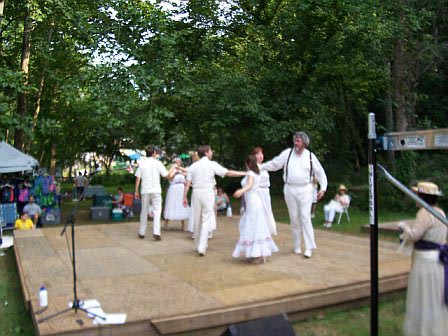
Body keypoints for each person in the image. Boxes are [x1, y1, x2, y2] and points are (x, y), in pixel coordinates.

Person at [262, 131, 327, 258]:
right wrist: (260, 167)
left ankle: (309, 248)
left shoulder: (310, 156)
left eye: (298, 141)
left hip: (306, 189)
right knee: (294, 218)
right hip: (290, 189)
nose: (295, 143)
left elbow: (320, 172)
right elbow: (275, 164)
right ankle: (296, 245)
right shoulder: (288, 153)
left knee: (305, 217)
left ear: (304, 143)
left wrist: (323, 188)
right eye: (295, 141)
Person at [398, 182, 447, 336]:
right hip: (437, 261)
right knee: (434, 296)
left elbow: (414, 235)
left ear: (420, 196)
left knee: (424, 295)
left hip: (425, 262)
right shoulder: (441, 212)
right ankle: (436, 329)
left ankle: (424, 331)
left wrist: (404, 228)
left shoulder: (425, 213)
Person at [183, 145, 246, 256]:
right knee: (206, 218)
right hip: (207, 192)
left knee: (197, 219)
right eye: (211, 151)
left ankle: (198, 245)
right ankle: (202, 247)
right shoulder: (212, 164)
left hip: (196, 192)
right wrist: (245, 173)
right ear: (207, 152)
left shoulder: (193, 166)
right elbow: (228, 173)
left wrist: (184, 197)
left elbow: (187, 184)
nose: (212, 153)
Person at [232, 154, 279, 264]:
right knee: (254, 226)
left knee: (253, 227)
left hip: (253, 203)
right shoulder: (255, 173)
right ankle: (256, 252)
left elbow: (249, 185)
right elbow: (245, 179)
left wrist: (241, 191)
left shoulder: (252, 174)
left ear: (247, 163)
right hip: (253, 202)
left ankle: (259, 254)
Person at [135, 145, 176, 241]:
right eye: (156, 152)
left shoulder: (142, 163)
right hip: (156, 190)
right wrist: (173, 168)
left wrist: (136, 191)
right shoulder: (158, 163)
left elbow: (138, 178)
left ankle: (142, 232)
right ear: (153, 153)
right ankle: (156, 232)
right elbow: (166, 175)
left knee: (144, 211)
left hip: (145, 190)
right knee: (157, 211)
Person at [251, 147, 277, 235]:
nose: (261, 156)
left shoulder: (264, 166)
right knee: (259, 210)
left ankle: (268, 229)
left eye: (261, 154)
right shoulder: (253, 167)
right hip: (258, 191)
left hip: (265, 191)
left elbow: (274, 166)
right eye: (258, 154)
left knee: (267, 210)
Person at [163, 158, 190, 231]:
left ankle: (183, 226)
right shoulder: (171, 169)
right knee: (171, 205)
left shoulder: (182, 170)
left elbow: (185, 178)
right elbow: (170, 178)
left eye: (179, 162)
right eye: (177, 162)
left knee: (182, 205)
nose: (178, 163)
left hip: (181, 189)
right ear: (174, 163)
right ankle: (166, 223)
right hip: (173, 189)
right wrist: (175, 173)